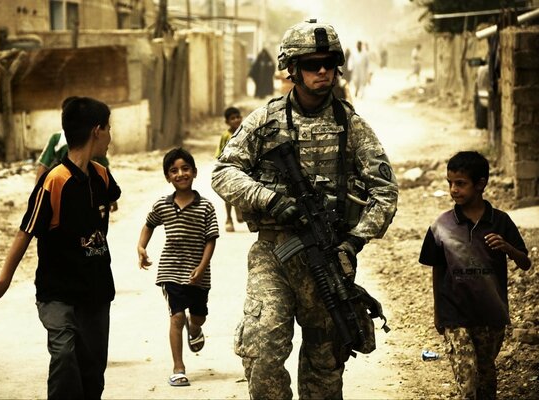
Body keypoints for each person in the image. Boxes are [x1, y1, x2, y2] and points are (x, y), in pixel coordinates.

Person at [211, 19, 398, 399]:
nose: (323, 71)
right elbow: (223, 173)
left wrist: (354, 242)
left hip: (330, 259)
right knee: (262, 349)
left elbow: (385, 191)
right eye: (313, 64)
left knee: (326, 362)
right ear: (292, 68)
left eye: (329, 62)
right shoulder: (265, 121)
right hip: (273, 254)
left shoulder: (351, 125)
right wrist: (271, 200)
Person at [0, 97, 121, 399]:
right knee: (65, 354)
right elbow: (25, 230)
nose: (110, 135)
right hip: (58, 293)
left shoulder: (102, 176)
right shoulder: (55, 180)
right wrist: (3, 281)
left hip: (96, 292)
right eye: (109, 128)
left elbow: (106, 206)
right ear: (97, 131)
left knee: (92, 372)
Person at [419, 151, 531, 400]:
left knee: (486, 378)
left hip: (491, 314)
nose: (453, 190)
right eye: (449, 183)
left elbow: (525, 263)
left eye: (460, 183)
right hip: (455, 314)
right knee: (468, 381)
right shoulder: (441, 226)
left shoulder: (500, 222)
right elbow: (437, 269)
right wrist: (438, 312)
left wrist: (508, 247)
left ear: (481, 184)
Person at [137, 147, 218, 387]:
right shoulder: (163, 205)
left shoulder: (206, 207)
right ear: (167, 177)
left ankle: (195, 330)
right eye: (174, 170)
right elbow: (149, 225)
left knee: (198, 316)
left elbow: (210, 239)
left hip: (198, 273)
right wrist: (141, 247)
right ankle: (178, 368)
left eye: (185, 169)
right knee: (177, 316)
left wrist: (202, 267)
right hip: (171, 269)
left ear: (194, 172)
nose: (180, 174)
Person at [215, 107, 244, 232]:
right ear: (227, 122)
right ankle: (228, 218)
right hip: (229, 168)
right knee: (227, 195)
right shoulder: (226, 136)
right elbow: (219, 153)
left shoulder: (245, 132)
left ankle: (239, 209)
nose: (236, 120)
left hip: (242, 168)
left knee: (241, 191)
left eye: (238, 117)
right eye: (232, 118)